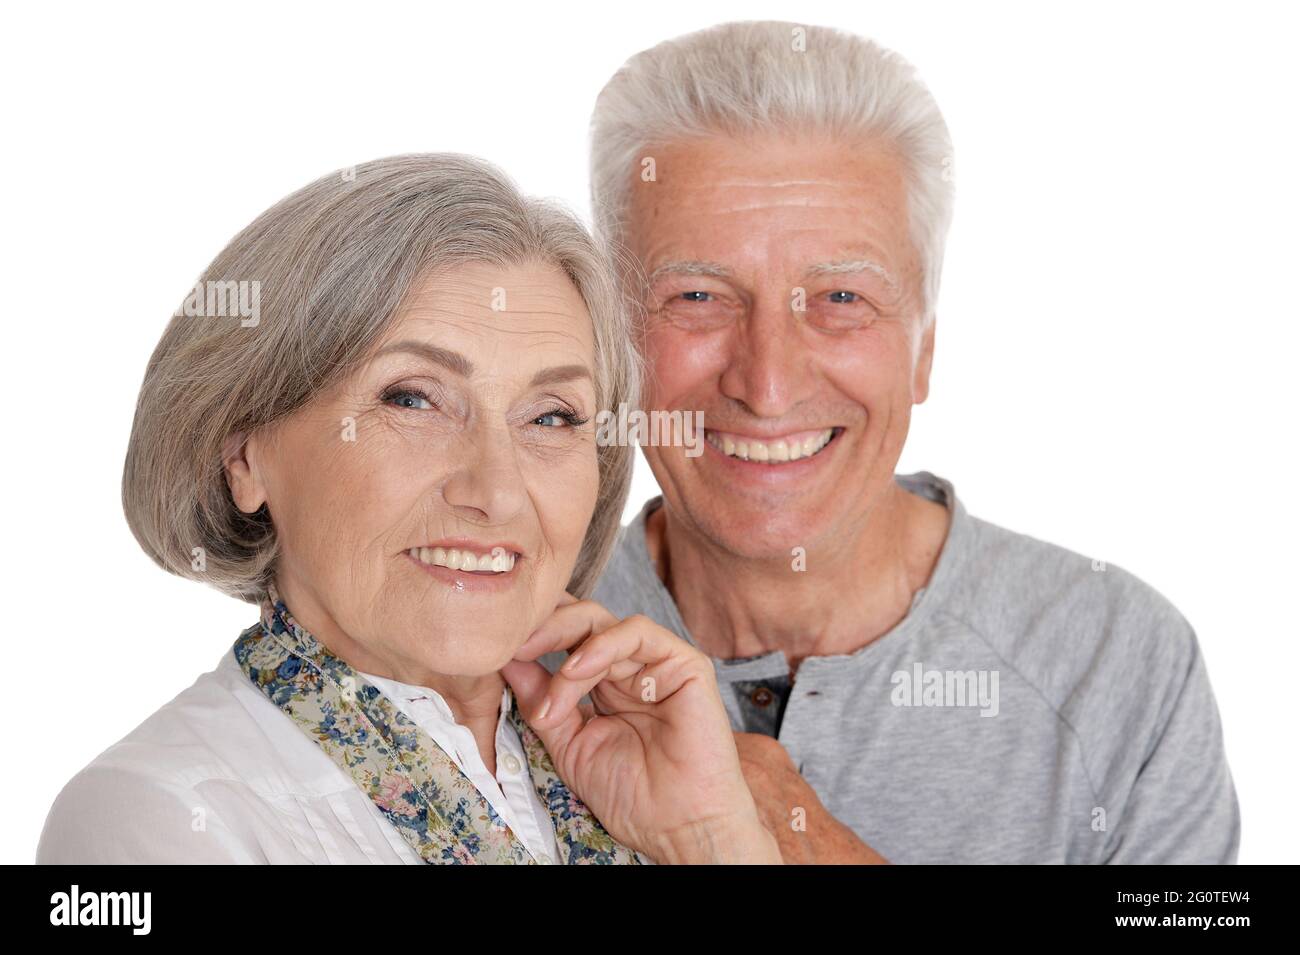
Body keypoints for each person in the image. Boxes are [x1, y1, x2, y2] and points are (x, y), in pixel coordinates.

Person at [564, 20, 1240, 863]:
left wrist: (804, 842)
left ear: (923, 346)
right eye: (698, 295)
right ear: (610, 340)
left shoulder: (1119, 660)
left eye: (842, 297)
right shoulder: (514, 646)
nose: (767, 384)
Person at [36, 153, 781, 865]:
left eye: (551, 416)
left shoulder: (638, 769)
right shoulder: (149, 814)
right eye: (412, 398)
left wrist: (711, 836)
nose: (495, 491)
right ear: (245, 457)